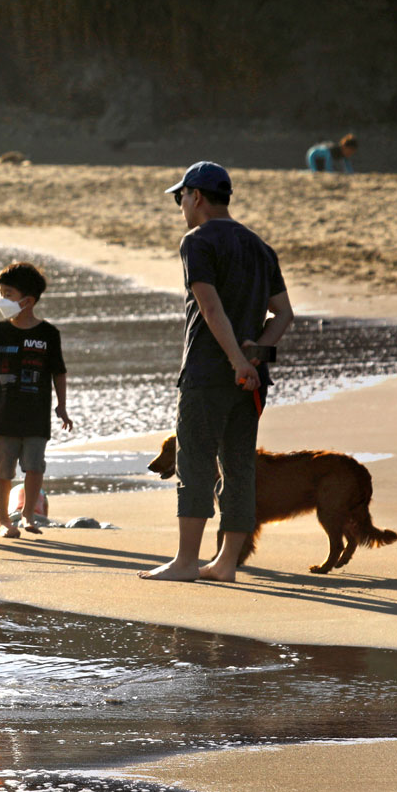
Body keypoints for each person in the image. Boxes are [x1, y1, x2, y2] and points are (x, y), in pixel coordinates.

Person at [142, 161, 293, 583]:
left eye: (181, 197)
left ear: (198, 196)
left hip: (210, 372)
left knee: (195, 464)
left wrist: (237, 360)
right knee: (239, 465)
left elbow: (210, 307)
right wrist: (256, 355)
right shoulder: (260, 246)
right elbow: (283, 314)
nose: (180, 206)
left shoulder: (197, 241)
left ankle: (186, 561)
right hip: (250, 380)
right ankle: (225, 563)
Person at [0, 262, 72, 538]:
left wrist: (62, 406)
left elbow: (58, 373)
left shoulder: (48, 334)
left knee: (35, 467)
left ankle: (28, 516)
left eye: (8, 294)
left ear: (28, 300)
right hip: (2, 417)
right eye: (0, 293)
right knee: (2, 471)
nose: (2, 300)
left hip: (36, 416)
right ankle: (4, 520)